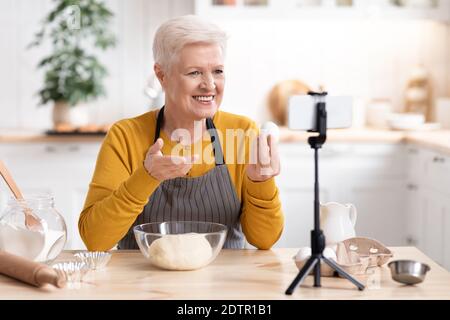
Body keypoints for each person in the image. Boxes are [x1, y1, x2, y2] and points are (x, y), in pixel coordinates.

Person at [78, 15, 283, 250]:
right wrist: (147, 176)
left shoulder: (242, 132)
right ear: (161, 75)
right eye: (194, 72)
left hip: (224, 282)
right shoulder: (125, 136)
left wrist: (261, 181)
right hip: (141, 283)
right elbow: (95, 239)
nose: (209, 84)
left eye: (217, 71)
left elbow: (265, 239)